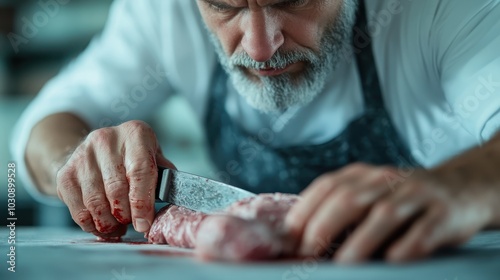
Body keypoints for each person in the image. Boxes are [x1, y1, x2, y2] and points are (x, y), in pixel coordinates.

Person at [12, 0, 500, 263]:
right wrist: (76, 160)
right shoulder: (163, 10)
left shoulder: (440, 8)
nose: (261, 47)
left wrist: (461, 186)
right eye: (225, 6)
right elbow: (46, 123)